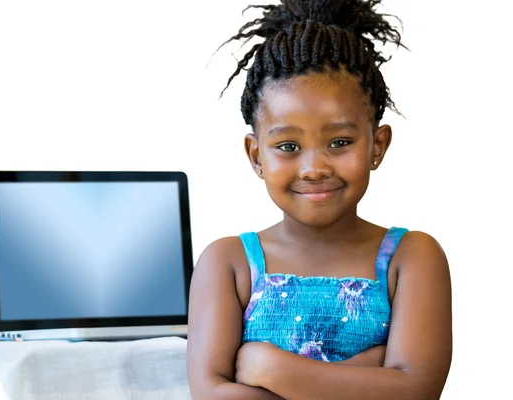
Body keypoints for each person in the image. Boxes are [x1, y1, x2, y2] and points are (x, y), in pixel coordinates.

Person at [187, 0, 453, 399]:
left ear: (377, 146)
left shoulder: (411, 257)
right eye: (288, 145)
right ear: (256, 156)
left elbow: (416, 391)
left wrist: (270, 368)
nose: (314, 168)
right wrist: (370, 373)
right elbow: (212, 395)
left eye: (339, 142)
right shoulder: (228, 263)